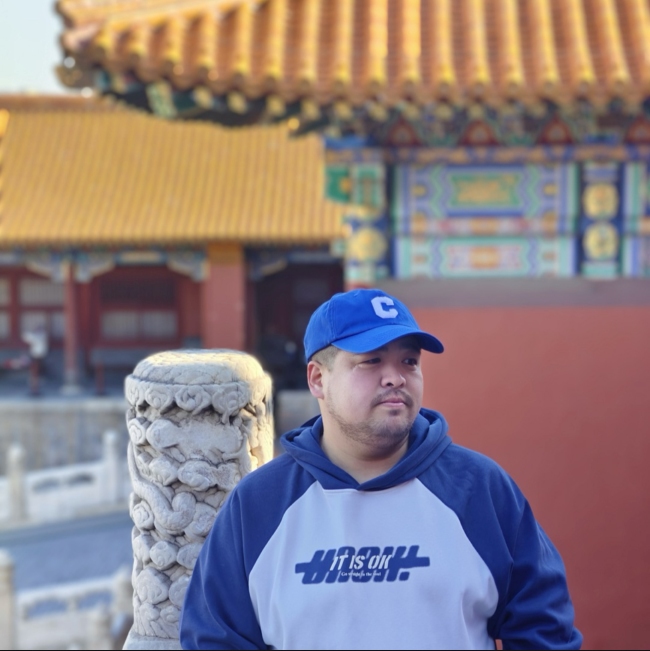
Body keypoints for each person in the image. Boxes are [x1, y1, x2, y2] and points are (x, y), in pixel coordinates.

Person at [180, 288, 582, 650]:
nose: (396, 378)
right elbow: (214, 639)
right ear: (318, 379)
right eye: (371, 361)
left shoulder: (480, 490)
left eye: (409, 361)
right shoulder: (259, 505)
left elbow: (544, 630)